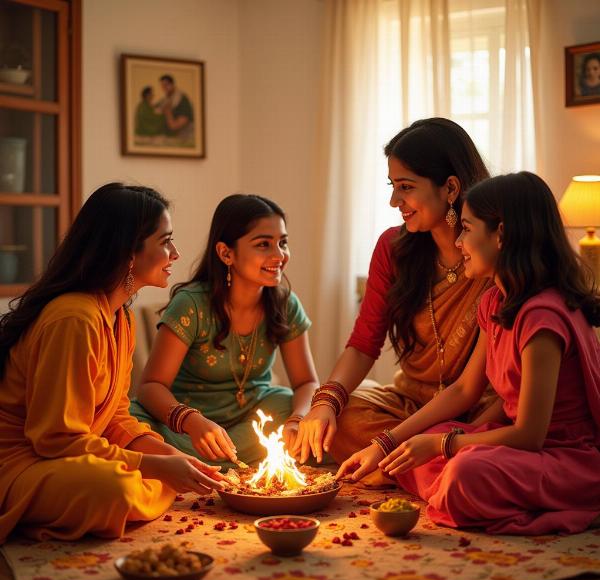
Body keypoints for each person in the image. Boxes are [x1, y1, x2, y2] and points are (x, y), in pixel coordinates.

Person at [338, 172, 600, 535]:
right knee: (424, 448)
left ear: (502, 235)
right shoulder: (495, 301)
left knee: (463, 473)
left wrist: (446, 444)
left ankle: (468, 493)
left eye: (466, 228)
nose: (458, 241)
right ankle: (453, 488)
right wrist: (407, 443)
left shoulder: (542, 318)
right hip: (513, 448)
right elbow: (465, 390)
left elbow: (529, 435)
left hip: (561, 458)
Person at [0, 183, 225, 544]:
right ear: (128, 253)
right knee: (115, 489)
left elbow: (115, 416)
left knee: (166, 470)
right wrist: (152, 466)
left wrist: (167, 454)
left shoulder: (120, 317)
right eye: (165, 241)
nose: (176, 253)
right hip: (23, 464)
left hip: (70, 458)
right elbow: (54, 440)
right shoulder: (74, 318)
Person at [293, 118, 496, 467]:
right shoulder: (393, 248)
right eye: (392, 185)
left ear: (450, 188)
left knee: (478, 442)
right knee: (340, 421)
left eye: (405, 187)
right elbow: (363, 344)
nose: (393, 200)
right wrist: (325, 402)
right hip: (411, 404)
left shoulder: (491, 255)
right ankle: (419, 462)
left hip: (478, 409)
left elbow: (471, 389)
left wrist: (390, 442)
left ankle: (416, 460)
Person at [130, 194, 319, 467]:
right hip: (185, 429)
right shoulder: (192, 304)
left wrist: (297, 421)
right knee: (134, 422)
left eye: (283, 243)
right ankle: (212, 460)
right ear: (225, 253)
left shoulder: (285, 304)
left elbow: (306, 383)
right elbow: (150, 387)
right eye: (264, 244)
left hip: (250, 423)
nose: (279, 255)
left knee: (287, 403)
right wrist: (192, 422)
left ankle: (211, 462)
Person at [158, 74, 194, 140]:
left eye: (166, 85)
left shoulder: (182, 99)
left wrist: (168, 113)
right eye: (162, 86)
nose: (164, 88)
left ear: (172, 84)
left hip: (184, 134)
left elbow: (175, 125)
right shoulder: (165, 100)